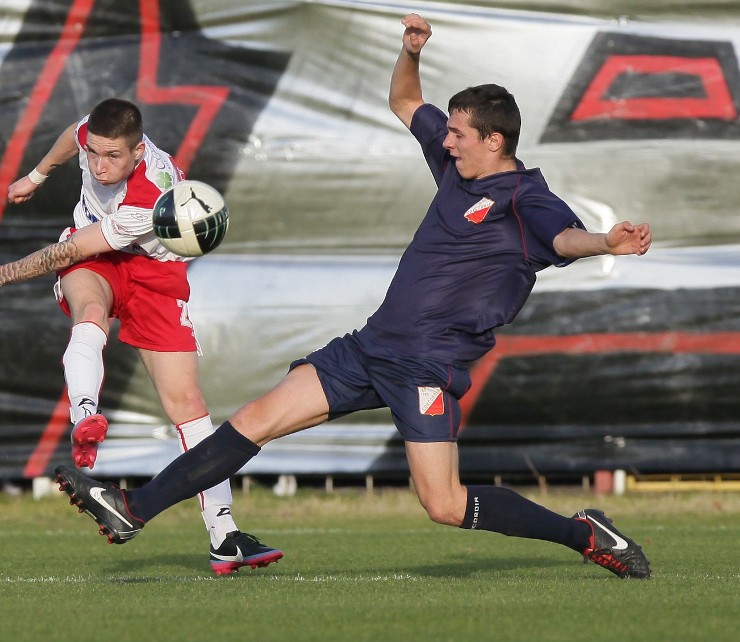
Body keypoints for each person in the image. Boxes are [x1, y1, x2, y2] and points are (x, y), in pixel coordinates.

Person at [52, 17, 653, 579]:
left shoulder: (526, 198)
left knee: (443, 504)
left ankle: (585, 535)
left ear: (494, 141)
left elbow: (564, 239)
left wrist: (606, 241)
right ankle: (134, 507)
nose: (447, 140)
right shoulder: (455, 170)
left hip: (426, 364)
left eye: (460, 134)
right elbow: (406, 102)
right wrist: (410, 52)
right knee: (254, 420)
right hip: (369, 349)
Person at [0, 98, 282, 576]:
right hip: (99, 256)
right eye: (95, 155)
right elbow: (75, 133)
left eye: (113, 158)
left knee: (188, 404)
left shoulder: (148, 196)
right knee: (90, 308)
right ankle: (85, 413)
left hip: (152, 273)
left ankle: (225, 535)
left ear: (137, 152)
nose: (101, 166)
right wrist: (38, 175)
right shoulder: (93, 136)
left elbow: (71, 248)